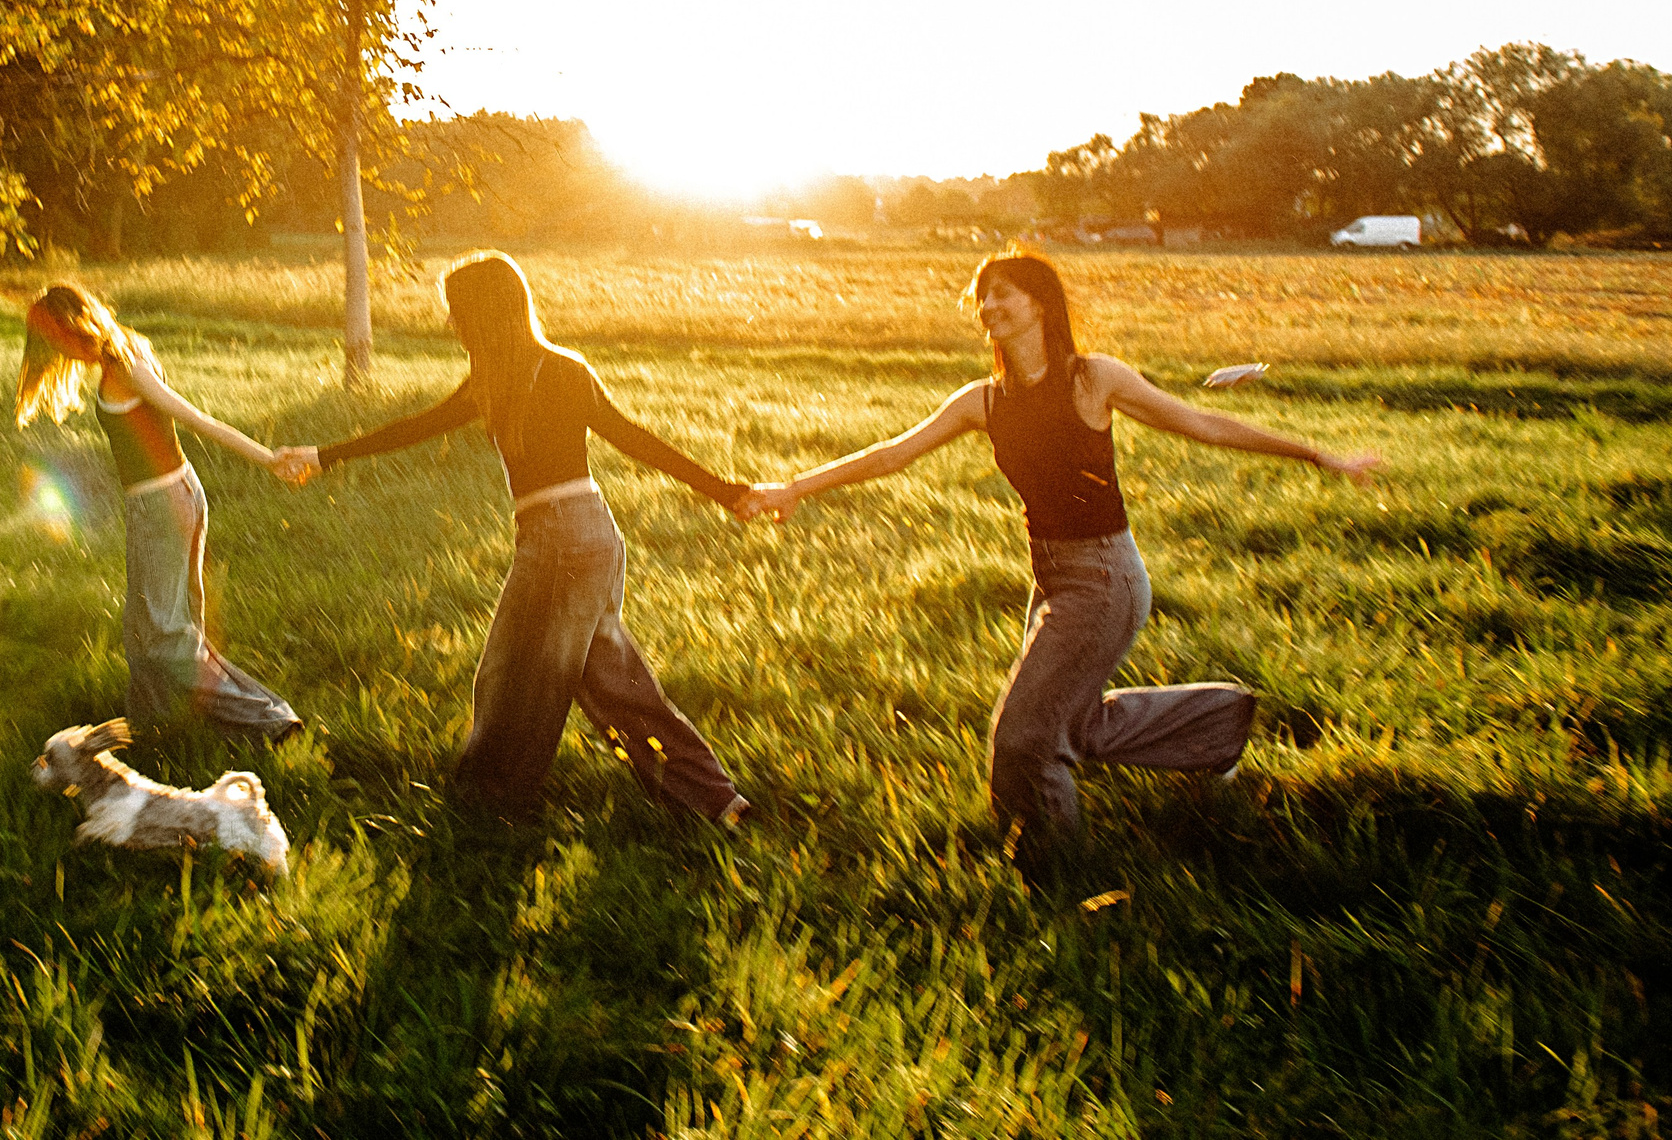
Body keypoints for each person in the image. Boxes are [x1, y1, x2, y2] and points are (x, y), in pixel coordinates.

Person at [741, 247, 1382, 878]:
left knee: (1025, 738)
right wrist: (794, 487)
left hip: (1104, 578)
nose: (989, 304)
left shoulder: (1091, 378)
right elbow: (890, 455)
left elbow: (1201, 424)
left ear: (1041, 303)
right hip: (1051, 577)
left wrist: (1320, 457)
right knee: (1069, 721)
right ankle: (1216, 725)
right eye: (983, 294)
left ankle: (1053, 872)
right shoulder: (983, 401)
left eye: (1004, 292)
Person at [274, 251, 754, 827]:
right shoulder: (506, 376)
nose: (452, 324)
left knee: (510, 674)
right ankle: (718, 804)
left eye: (458, 312)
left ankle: (488, 804)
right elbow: (419, 426)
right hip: (592, 535)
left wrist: (724, 490)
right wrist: (326, 456)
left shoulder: (547, 371)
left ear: (486, 313)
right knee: (611, 683)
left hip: (559, 544)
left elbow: (635, 440)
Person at [17, 284, 301, 741]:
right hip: (174, 497)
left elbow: (196, 419)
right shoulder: (128, 349)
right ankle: (152, 726)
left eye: (57, 340)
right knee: (154, 626)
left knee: (168, 637)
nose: (58, 353)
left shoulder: (124, 368)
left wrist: (267, 457)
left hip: (161, 507)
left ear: (74, 328)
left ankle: (270, 721)